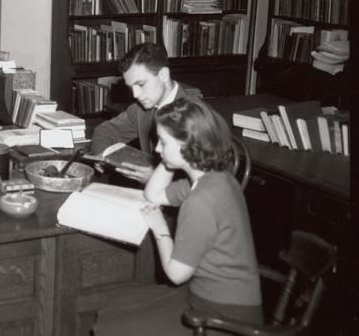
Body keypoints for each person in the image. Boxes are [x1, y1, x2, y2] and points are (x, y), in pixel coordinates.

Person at [93, 97, 263, 335]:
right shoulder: (214, 178)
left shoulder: (200, 202)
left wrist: (159, 227)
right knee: (118, 309)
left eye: (162, 142)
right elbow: (153, 194)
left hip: (222, 319)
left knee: (119, 324)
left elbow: (175, 274)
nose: (156, 149)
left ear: (187, 146)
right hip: (211, 299)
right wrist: (169, 159)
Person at [90, 42, 182, 183]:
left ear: (163, 75)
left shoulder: (197, 116)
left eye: (141, 84)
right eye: (131, 87)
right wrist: (104, 155)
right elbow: (104, 131)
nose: (135, 95)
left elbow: (209, 184)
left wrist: (157, 178)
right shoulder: (143, 108)